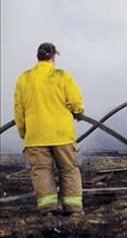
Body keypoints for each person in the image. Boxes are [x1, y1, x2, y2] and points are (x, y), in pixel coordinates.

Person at [14, 42, 85, 216]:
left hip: (36, 136)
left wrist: (24, 132)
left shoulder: (24, 78)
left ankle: (48, 210)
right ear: (53, 57)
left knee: (42, 172)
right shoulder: (62, 76)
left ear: (38, 57)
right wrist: (78, 112)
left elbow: (18, 109)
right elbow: (76, 102)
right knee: (69, 170)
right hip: (62, 135)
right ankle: (74, 210)